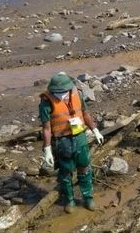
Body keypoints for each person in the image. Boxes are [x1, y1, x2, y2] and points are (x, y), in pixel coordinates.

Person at [40, 72, 105, 213]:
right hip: (61, 141)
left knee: (84, 166)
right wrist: (47, 149)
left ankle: (88, 198)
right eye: (57, 92)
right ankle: (69, 199)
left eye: (63, 91)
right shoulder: (46, 103)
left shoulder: (76, 95)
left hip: (79, 137)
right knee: (65, 171)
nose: (61, 94)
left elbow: (85, 114)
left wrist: (95, 130)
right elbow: (46, 128)